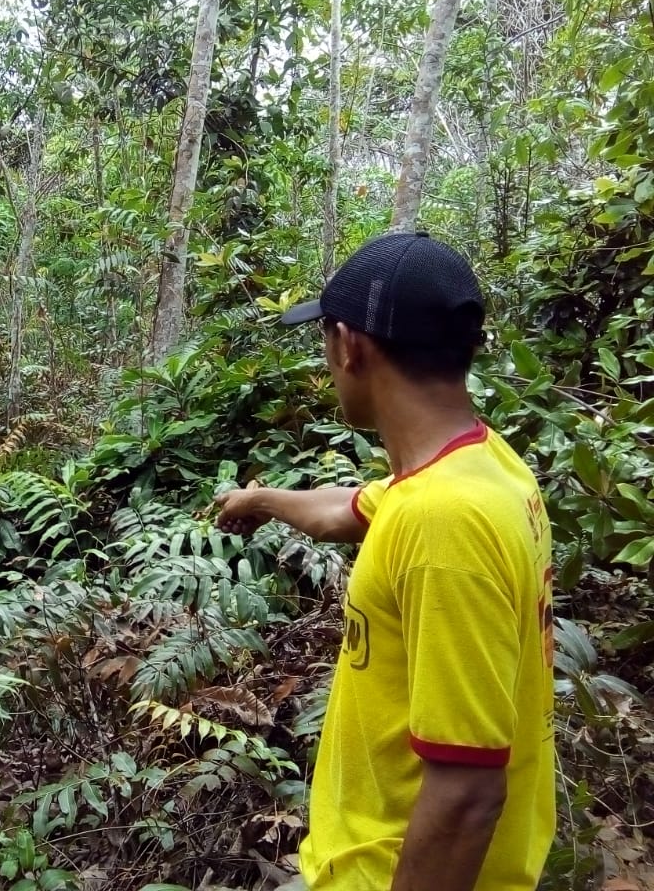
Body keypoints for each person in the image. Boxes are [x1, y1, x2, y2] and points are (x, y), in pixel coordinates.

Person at [214, 232, 555, 891]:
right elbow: (350, 509)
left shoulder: (443, 522)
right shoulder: (481, 465)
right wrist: (261, 499)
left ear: (350, 345)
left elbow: (466, 793)